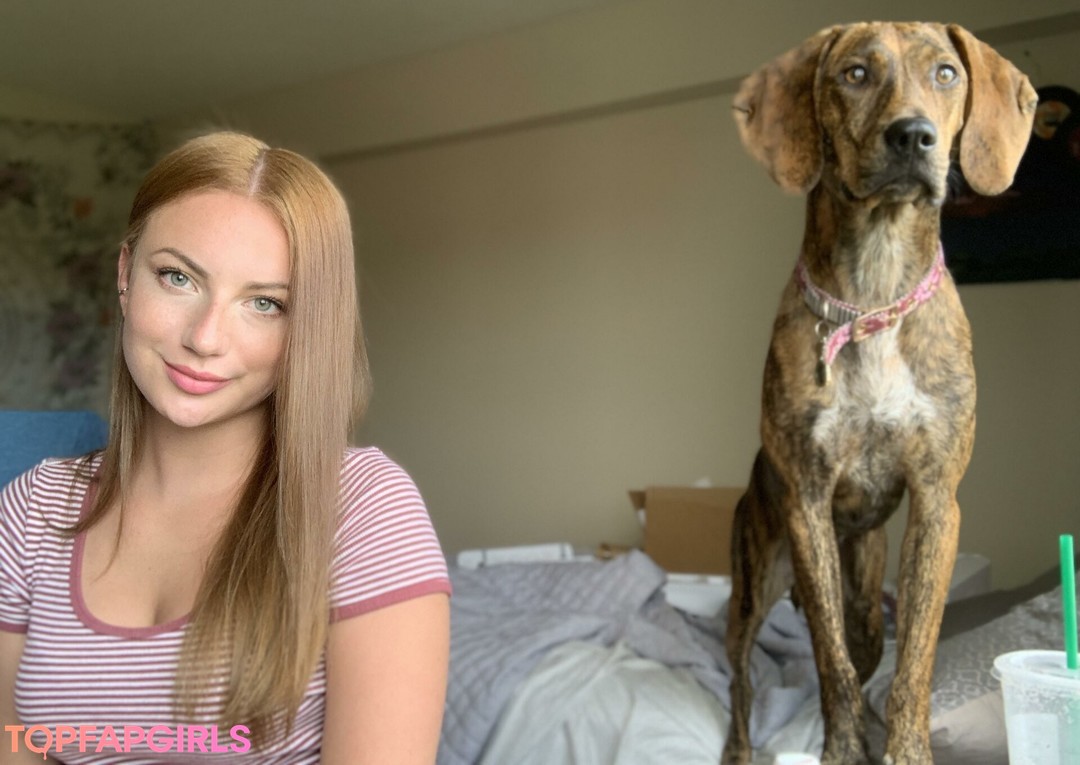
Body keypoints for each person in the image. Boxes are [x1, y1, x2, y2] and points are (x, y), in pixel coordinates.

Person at [0, 132, 452, 764]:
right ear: (126, 276)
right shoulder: (33, 506)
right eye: (178, 277)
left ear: (306, 326)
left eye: (265, 303)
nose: (206, 339)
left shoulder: (360, 507)